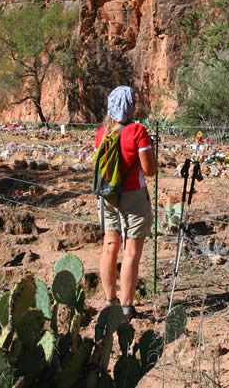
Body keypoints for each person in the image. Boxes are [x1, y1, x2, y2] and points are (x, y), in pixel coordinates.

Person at [95, 85, 157, 320]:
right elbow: (150, 170)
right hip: (134, 195)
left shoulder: (102, 131)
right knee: (131, 251)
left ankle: (110, 300)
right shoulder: (138, 131)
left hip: (108, 196)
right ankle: (127, 307)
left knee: (110, 246)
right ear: (130, 106)